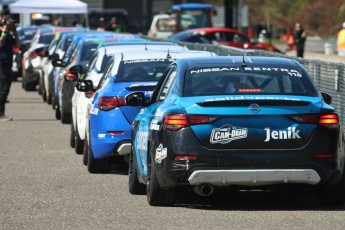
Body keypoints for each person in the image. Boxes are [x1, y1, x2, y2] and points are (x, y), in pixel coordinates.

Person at [0, 11, 20, 121]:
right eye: (9, 23)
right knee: (3, 88)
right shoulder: (2, 32)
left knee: (6, 88)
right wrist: (3, 32)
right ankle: (0, 114)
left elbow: (17, 45)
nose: (11, 25)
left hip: (7, 63)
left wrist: (15, 32)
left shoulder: (9, 34)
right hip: (1, 64)